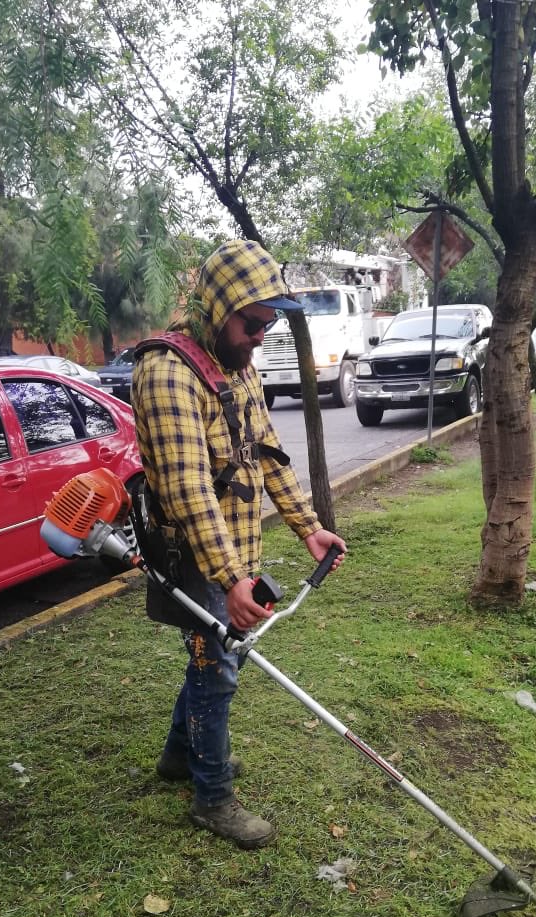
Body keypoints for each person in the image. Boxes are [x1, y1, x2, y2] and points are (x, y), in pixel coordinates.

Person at [131, 239, 346, 850]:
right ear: (220, 304)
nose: (259, 336)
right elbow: (188, 489)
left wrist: (309, 527)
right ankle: (212, 796)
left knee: (217, 658)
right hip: (198, 556)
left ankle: (181, 756)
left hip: (237, 548)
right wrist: (230, 579)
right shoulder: (168, 370)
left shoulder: (236, 364)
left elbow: (265, 452)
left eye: (268, 324)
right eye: (253, 323)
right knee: (218, 667)